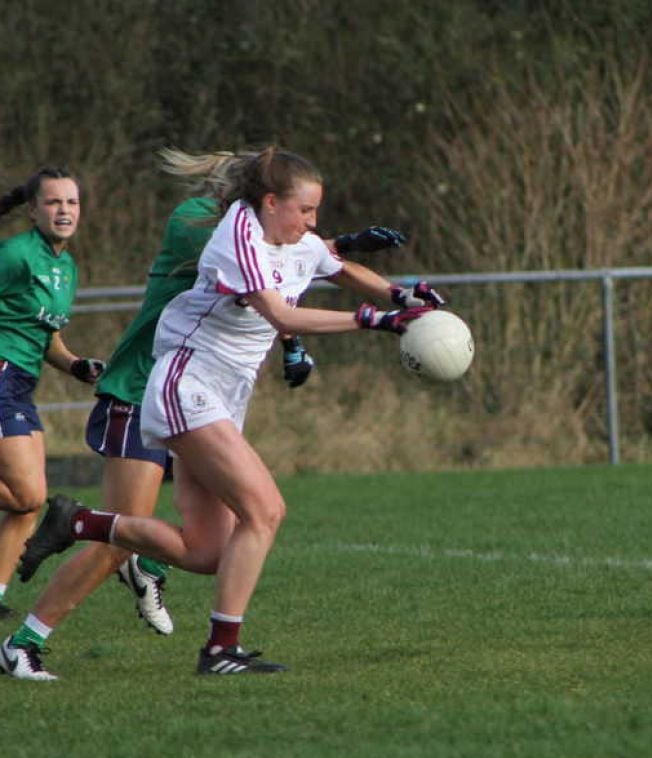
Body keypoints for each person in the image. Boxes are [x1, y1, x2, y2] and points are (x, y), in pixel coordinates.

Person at [1, 147, 441, 680]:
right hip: (175, 386)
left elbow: (327, 263)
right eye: (305, 209)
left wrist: (402, 291)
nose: (313, 222)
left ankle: (77, 523)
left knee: (207, 549)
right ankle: (218, 649)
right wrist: (373, 319)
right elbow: (279, 304)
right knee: (265, 511)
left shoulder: (285, 233)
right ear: (268, 196)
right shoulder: (222, 230)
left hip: (213, 395)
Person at [0, 167, 105, 622]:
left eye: (71, 202)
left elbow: (47, 340)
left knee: (29, 504)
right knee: (28, 493)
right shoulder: (17, 255)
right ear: (32, 209)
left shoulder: (66, 266)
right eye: (53, 202)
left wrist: (77, 364)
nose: (64, 210)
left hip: (22, 382)